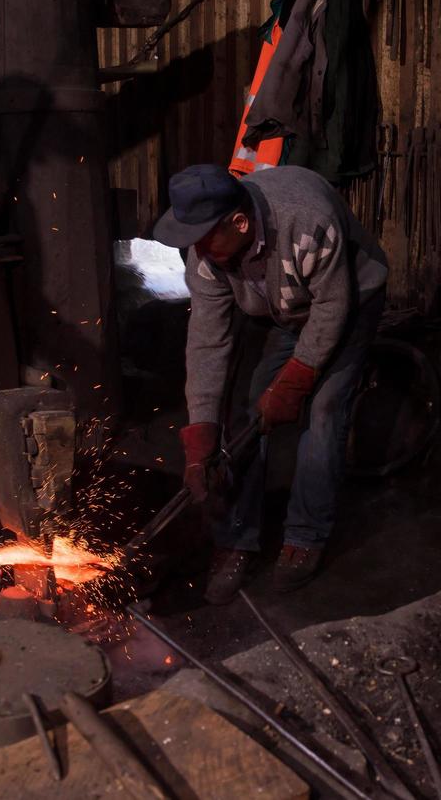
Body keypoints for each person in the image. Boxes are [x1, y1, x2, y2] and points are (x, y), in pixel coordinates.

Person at [153, 163, 388, 603]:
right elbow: (208, 342)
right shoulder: (207, 253)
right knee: (249, 409)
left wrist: (296, 380)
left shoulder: (308, 223)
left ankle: (306, 535)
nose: (196, 250)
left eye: (204, 238)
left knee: (323, 410)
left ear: (239, 223)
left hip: (348, 299)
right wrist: (201, 433)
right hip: (283, 307)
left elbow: (333, 307)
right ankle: (237, 538)